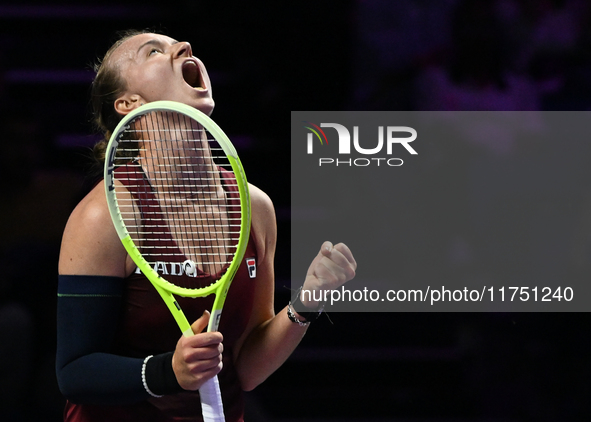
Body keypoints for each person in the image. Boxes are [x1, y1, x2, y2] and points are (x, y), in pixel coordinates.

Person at [56, 29, 356, 422]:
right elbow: (75, 372)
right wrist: (169, 371)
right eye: (153, 52)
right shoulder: (106, 216)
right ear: (128, 103)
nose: (184, 47)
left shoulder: (254, 207)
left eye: (179, 44)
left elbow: (246, 368)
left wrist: (307, 302)